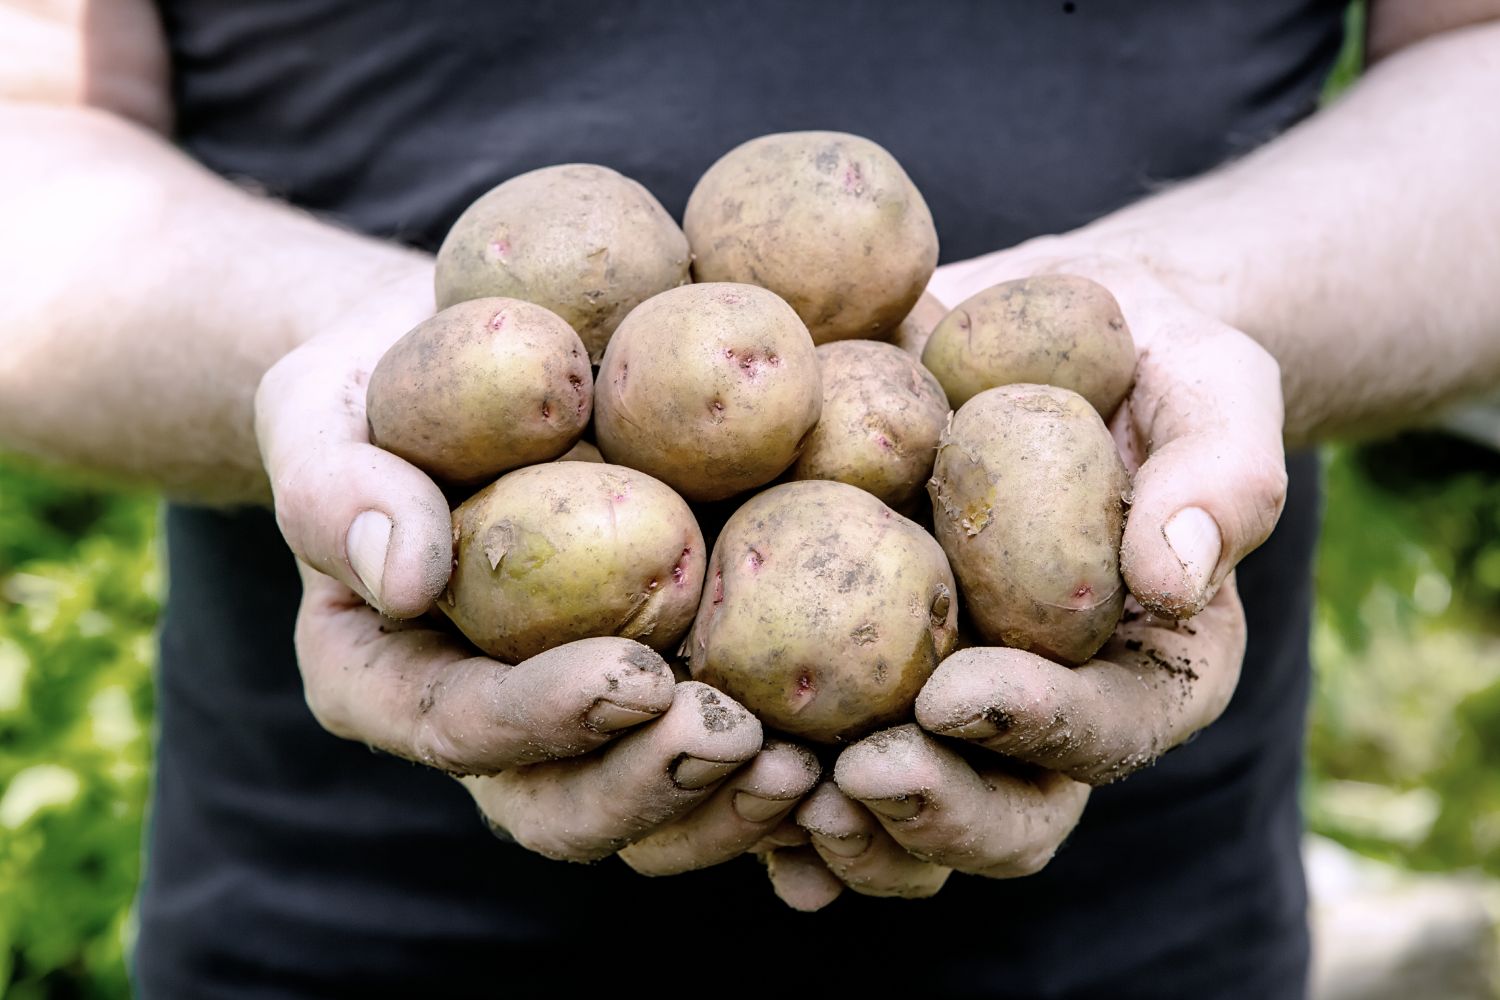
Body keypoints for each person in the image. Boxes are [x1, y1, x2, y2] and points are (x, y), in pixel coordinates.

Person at [3, 1, 1498, 996]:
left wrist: (1195, 299)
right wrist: (330, 353)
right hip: (336, 924)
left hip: (1143, 937)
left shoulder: (965, 424)